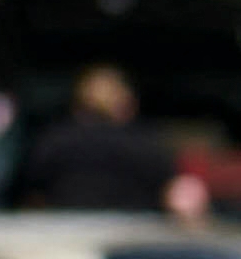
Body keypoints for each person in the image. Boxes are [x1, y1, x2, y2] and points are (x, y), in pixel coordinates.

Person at [13, 68, 179, 217]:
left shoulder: (55, 140)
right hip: (133, 237)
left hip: (65, 235)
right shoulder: (144, 144)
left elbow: (30, 194)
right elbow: (174, 195)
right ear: (126, 104)